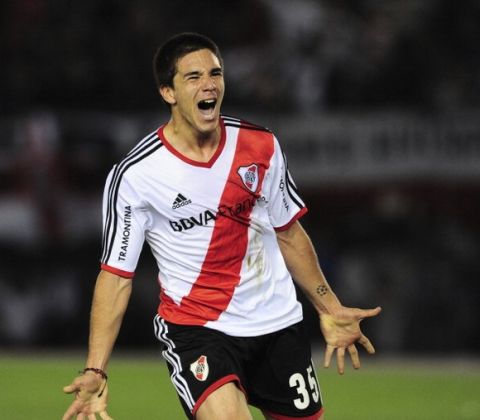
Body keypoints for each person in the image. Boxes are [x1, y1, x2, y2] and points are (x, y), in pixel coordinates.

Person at [62, 32, 381, 420]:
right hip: (198, 328)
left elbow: (289, 232)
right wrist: (96, 368)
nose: (209, 84)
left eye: (215, 73)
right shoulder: (136, 175)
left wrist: (329, 307)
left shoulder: (260, 145)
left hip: (277, 323)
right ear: (168, 92)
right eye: (193, 77)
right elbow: (116, 276)